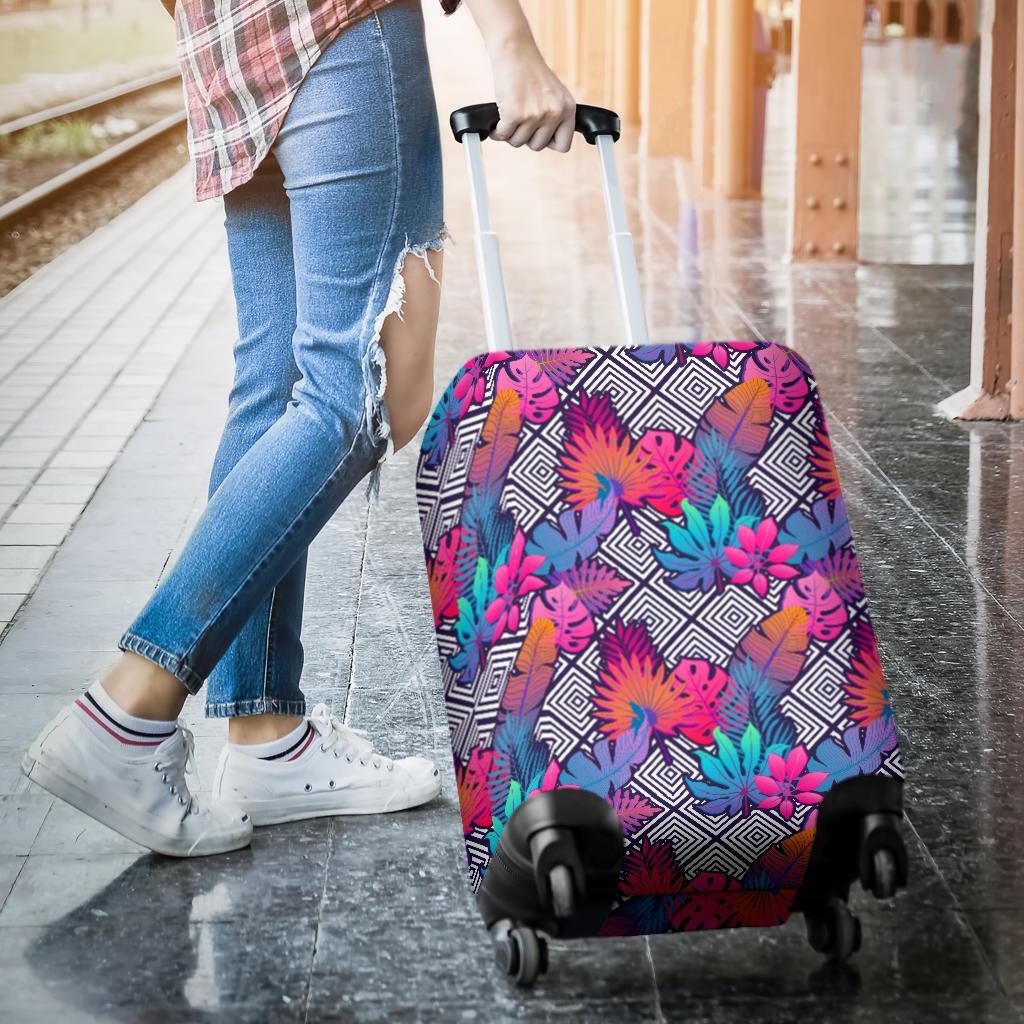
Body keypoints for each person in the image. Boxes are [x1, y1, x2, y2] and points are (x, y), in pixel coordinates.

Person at [22, 0, 576, 857]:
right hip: (341, 27)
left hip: (228, 51)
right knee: (360, 390)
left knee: (276, 383)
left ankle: (265, 735)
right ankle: (128, 710)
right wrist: (512, 43)